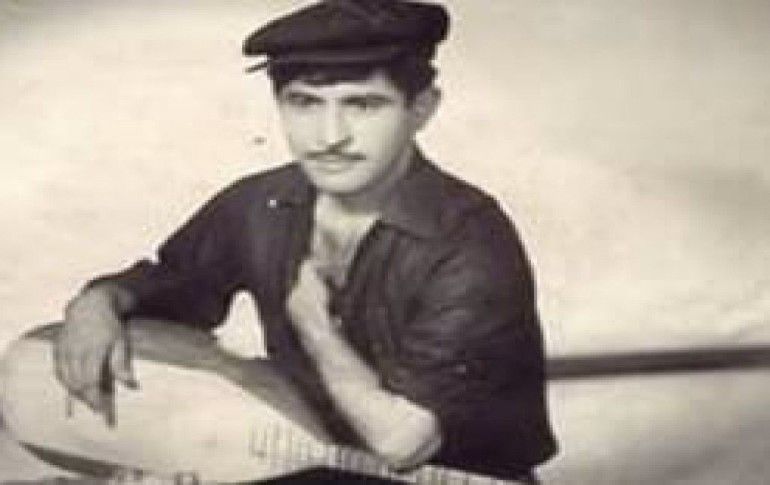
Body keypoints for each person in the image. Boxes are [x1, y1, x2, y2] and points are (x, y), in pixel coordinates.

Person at [42, 0, 557, 482]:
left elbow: (402, 444)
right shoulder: (259, 203)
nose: (330, 136)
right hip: (313, 471)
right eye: (304, 103)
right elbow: (172, 285)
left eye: (363, 104)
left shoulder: (469, 238)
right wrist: (98, 302)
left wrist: (314, 324)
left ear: (421, 108)